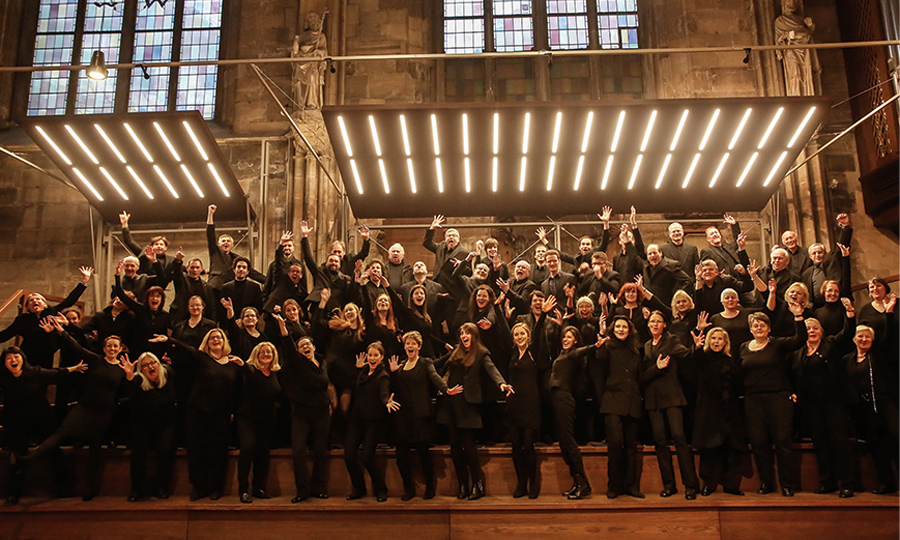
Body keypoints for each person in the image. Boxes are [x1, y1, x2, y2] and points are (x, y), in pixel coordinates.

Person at [23, 319, 131, 501]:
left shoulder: (123, 369)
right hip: (84, 408)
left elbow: (128, 391)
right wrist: (61, 331)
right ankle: (28, 459)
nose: (112, 348)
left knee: (95, 449)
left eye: (115, 346)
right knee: (61, 433)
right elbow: (76, 348)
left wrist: (129, 376)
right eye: (109, 346)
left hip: (103, 413)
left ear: (120, 349)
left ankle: (91, 488)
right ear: (104, 348)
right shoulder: (96, 361)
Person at [149, 328, 244, 501]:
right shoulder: (202, 358)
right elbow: (186, 348)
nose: (216, 340)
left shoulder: (233, 364)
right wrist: (169, 340)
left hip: (221, 414)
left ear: (225, 342)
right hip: (197, 412)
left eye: (219, 337)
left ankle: (215, 487)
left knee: (217, 451)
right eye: (212, 338)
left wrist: (232, 411)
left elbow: (237, 390)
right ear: (207, 342)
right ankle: (199, 487)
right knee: (196, 450)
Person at [434, 323, 513, 500]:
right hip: (451, 404)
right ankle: (463, 484)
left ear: (474, 336)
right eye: (461, 333)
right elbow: (437, 365)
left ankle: (477, 484)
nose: (464, 336)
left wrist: (501, 383)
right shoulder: (455, 351)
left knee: (468, 446)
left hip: (467, 405)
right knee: (454, 446)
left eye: (467, 333)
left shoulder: (481, 353)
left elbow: (492, 370)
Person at [1, 346, 86, 505]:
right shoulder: (3, 378)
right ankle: (13, 494)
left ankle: (64, 488)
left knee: (53, 451)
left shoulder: (34, 372)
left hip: (41, 420)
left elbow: (55, 373)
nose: (13, 360)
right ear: (4, 363)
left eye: (16, 357)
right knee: (17, 456)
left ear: (22, 359)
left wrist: (73, 369)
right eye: (9, 358)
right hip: (17, 424)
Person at [739, 308, 807, 497]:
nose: (758, 327)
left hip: (778, 397)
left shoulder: (777, 344)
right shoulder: (743, 347)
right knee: (759, 442)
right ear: (750, 329)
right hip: (753, 399)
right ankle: (766, 483)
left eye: (762, 325)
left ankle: (787, 484)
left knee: (782, 441)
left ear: (769, 328)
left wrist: (798, 316)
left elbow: (800, 339)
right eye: (755, 325)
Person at [792, 305, 856, 498]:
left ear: (822, 331)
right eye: (808, 328)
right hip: (811, 405)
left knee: (839, 443)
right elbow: (793, 376)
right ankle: (827, 482)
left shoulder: (831, 344)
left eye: (815, 328)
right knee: (820, 444)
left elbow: (847, 333)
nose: (811, 331)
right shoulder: (797, 353)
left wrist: (850, 315)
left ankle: (847, 483)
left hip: (833, 402)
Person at [273, 317, 334, 502]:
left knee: (321, 451)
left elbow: (326, 385)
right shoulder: (296, 363)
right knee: (298, 451)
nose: (305, 347)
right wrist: (283, 327)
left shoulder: (322, 363)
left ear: (314, 347)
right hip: (301, 413)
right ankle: (303, 490)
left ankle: (319, 488)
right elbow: (288, 346)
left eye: (307, 344)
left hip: (322, 413)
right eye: (301, 346)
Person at [641, 311, 699, 499]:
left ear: (664, 324)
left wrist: (696, 347)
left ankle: (690, 485)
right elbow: (642, 377)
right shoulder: (647, 345)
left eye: (658, 321)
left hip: (672, 396)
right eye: (652, 322)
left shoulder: (671, 340)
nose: (655, 324)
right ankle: (669, 485)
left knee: (679, 438)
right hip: (653, 399)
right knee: (660, 442)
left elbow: (686, 354)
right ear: (648, 325)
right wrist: (655, 368)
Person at [551, 312, 606, 500]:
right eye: (564, 336)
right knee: (563, 443)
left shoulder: (574, 353)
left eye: (570, 337)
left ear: (576, 341)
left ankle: (583, 483)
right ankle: (577, 481)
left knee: (568, 442)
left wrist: (595, 345)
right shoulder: (563, 354)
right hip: (558, 398)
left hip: (564, 399)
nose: (566, 339)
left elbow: (583, 350)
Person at [387, 331, 449, 500]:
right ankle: (409, 489)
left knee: (423, 454)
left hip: (420, 415)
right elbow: (392, 388)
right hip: (403, 416)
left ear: (419, 346)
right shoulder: (399, 365)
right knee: (401, 456)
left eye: (413, 343)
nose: (410, 346)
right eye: (407, 343)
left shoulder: (425, 362)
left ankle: (430, 487)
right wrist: (393, 373)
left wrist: (445, 389)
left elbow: (435, 377)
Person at [687, 328, 747, 496]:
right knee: (710, 448)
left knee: (730, 447)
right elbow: (695, 360)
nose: (716, 342)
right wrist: (697, 347)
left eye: (720, 339)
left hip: (729, 409)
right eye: (713, 338)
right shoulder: (703, 358)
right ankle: (708, 484)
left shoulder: (731, 360)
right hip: (709, 410)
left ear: (725, 342)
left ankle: (730, 484)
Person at [844, 315, 898, 495]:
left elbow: (889, 337)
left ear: (873, 340)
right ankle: (886, 483)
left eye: (867, 336)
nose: (864, 339)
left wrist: (889, 315)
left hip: (885, 406)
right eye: (860, 336)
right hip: (864, 410)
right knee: (877, 447)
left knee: (897, 439)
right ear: (854, 339)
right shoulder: (847, 360)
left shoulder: (878, 355)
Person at [591, 316, 644, 499]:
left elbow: (640, 377)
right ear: (613, 329)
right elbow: (599, 365)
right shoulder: (607, 348)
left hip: (633, 403)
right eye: (618, 327)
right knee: (614, 446)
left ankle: (630, 486)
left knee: (631, 447)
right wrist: (600, 343)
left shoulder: (636, 351)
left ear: (630, 330)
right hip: (612, 402)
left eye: (625, 327)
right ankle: (614, 486)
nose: (621, 330)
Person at [0, 266, 92, 368]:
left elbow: (69, 300)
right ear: (27, 307)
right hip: (27, 356)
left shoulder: (52, 312)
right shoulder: (22, 320)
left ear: (44, 304)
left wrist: (84, 281)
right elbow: (6, 334)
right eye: (31, 300)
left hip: (46, 356)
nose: (35, 301)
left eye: (38, 299)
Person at [506, 298, 553, 499]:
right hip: (514, 404)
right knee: (516, 446)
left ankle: (533, 482)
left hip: (531, 404)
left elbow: (539, 329)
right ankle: (521, 482)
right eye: (516, 334)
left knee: (528, 445)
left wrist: (542, 314)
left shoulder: (533, 352)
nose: (519, 337)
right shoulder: (511, 353)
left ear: (528, 336)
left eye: (522, 334)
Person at [345, 342, 399, 502]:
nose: (372, 358)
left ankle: (381, 489)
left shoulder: (383, 375)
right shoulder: (362, 372)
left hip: (373, 422)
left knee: (368, 457)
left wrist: (386, 402)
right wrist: (356, 369)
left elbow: (384, 393)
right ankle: (359, 488)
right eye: (370, 355)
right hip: (357, 420)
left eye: (376, 355)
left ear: (381, 357)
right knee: (349, 456)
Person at [126, 352, 177, 501]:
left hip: (166, 423)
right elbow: (129, 394)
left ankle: (160, 487)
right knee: (138, 453)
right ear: (141, 371)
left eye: (153, 363)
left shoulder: (168, 374)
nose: (150, 367)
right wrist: (129, 377)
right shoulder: (136, 380)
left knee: (166, 450)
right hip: (142, 424)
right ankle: (136, 490)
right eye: (145, 366)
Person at [236, 342, 282, 503]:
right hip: (247, 417)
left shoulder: (277, 373)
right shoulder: (250, 370)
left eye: (269, 352)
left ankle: (258, 488)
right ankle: (243, 489)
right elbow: (247, 372)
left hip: (267, 419)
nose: (266, 354)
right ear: (256, 354)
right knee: (247, 449)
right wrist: (242, 364)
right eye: (262, 352)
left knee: (263, 452)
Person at [206, 204, 264, 291]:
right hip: (214, 288)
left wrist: (271, 281)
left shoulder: (237, 259)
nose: (226, 242)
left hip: (229, 290)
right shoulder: (215, 252)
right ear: (218, 244)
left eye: (228, 241)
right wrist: (210, 214)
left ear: (232, 245)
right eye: (223, 241)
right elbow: (210, 234)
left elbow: (254, 274)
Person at [119, 210, 173, 278]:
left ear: (166, 247)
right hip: (141, 285)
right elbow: (129, 242)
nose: (159, 246)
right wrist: (124, 226)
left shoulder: (171, 261)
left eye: (161, 244)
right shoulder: (143, 254)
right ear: (152, 247)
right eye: (156, 244)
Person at [423, 214, 469, 292]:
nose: (451, 237)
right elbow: (427, 243)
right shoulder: (440, 247)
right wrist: (432, 228)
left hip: (453, 289)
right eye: (449, 236)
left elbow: (469, 273)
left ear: (458, 239)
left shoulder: (464, 253)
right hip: (437, 285)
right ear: (445, 239)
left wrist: (461, 265)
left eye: (454, 236)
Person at [292, 11, 328, 109]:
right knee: (299, 83)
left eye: (314, 19)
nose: (312, 22)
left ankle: (312, 103)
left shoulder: (321, 36)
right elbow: (296, 47)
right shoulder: (304, 35)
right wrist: (296, 43)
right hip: (302, 61)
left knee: (312, 81)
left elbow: (323, 51)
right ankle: (301, 104)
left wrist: (318, 53)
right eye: (310, 20)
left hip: (313, 64)